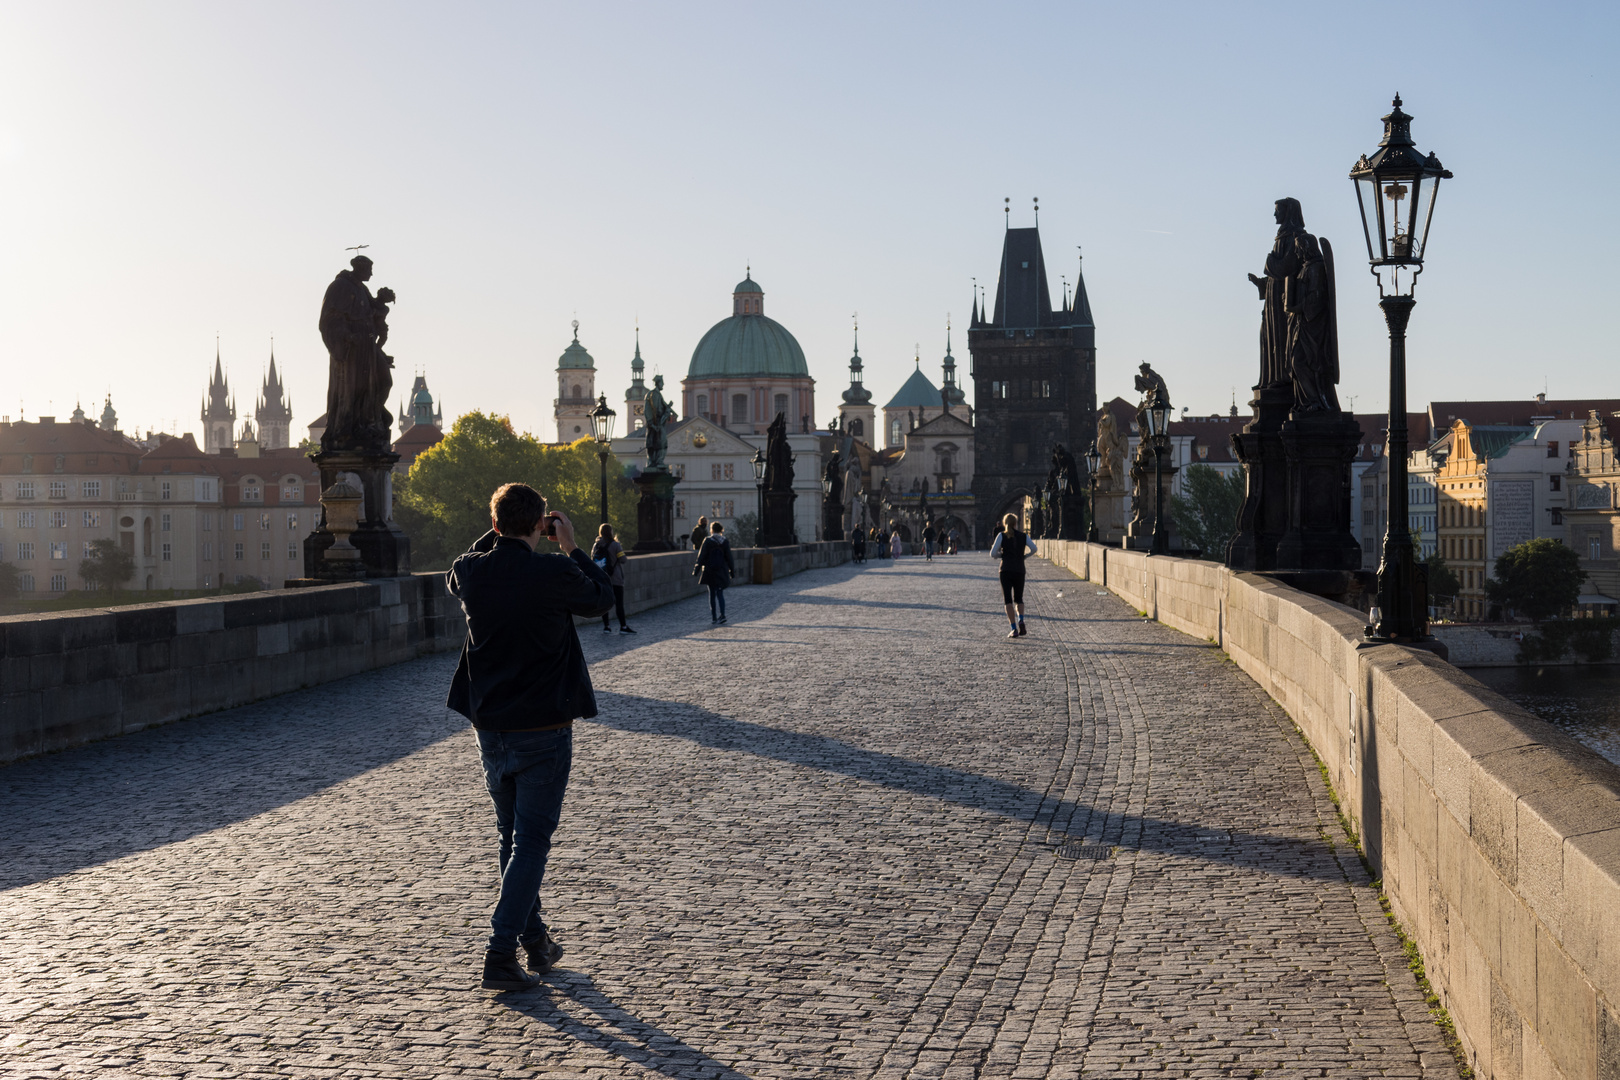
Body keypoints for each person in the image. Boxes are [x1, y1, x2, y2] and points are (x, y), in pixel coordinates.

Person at [446, 483, 614, 992]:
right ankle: (499, 954)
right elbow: (603, 597)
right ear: (540, 524)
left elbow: (461, 563)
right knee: (531, 842)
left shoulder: (473, 573)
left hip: (490, 728)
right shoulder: (554, 572)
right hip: (542, 727)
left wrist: (500, 530)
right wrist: (571, 546)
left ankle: (535, 942)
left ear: (495, 526)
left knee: (511, 838)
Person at [990, 511, 1038, 638]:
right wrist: (1024, 556)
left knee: (1008, 600)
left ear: (1005, 523)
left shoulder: (1001, 535)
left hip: (1005, 569)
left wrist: (1002, 555)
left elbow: (992, 553)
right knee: (1019, 599)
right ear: (1016, 523)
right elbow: (1034, 549)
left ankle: (1013, 629)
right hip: (1019, 569)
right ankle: (1021, 620)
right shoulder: (1023, 536)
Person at [591, 523, 634, 634]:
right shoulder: (615, 545)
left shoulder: (596, 545)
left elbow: (592, 559)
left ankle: (607, 626)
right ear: (611, 532)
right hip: (616, 579)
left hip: (602, 578)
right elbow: (623, 559)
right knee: (619, 603)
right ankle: (623, 627)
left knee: (605, 603)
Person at [693, 520, 734, 623]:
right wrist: (732, 571)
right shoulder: (724, 541)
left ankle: (714, 617)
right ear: (721, 530)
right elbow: (729, 558)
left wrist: (696, 570)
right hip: (721, 570)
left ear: (711, 530)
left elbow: (701, 557)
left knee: (711, 594)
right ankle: (723, 615)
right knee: (720, 593)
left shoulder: (707, 541)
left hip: (709, 571)